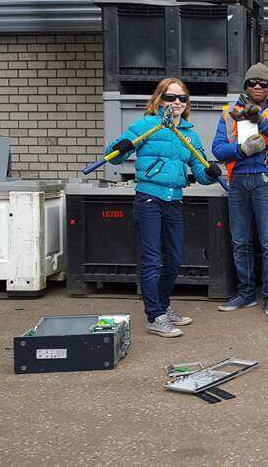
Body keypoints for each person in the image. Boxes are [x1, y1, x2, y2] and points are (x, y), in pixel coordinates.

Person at [106, 77, 222, 338]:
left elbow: (201, 173)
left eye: (182, 98)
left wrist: (212, 172)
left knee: (174, 259)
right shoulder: (148, 125)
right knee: (151, 259)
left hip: (174, 200)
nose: (177, 102)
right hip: (148, 198)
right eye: (171, 97)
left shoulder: (188, 134)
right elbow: (114, 156)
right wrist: (121, 147)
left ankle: (163, 306)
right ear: (159, 99)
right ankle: (154, 316)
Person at [212, 63, 268, 315]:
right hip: (238, 182)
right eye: (252, 83)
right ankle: (246, 294)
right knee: (240, 241)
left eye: (262, 84)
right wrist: (242, 150)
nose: (257, 87)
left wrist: (261, 120)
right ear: (245, 86)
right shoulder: (228, 114)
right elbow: (217, 149)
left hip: (267, 181)